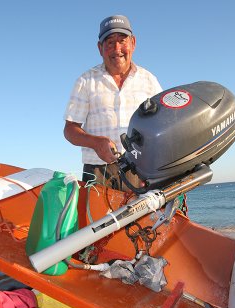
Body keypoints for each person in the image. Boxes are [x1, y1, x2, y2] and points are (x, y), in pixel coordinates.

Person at [63, 15, 162, 190]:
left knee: (144, 218)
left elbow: (163, 124)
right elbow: (70, 130)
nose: (117, 49)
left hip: (141, 170)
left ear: (133, 43)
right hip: (98, 172)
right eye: (110, 42)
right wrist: (96, 142)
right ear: (100, 48)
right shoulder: (85, 81)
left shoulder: (150, 81)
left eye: (122, 40)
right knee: (97, 218)